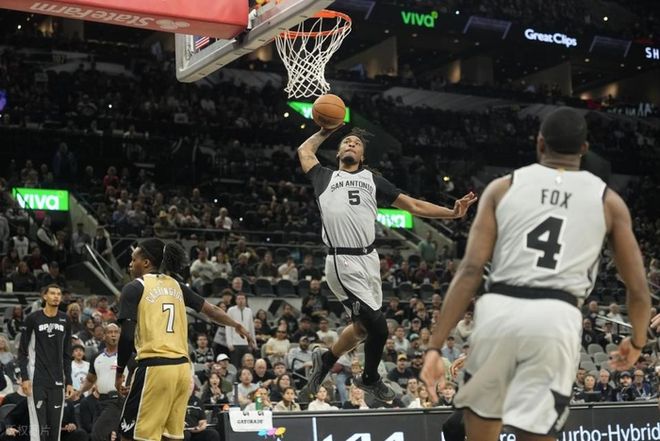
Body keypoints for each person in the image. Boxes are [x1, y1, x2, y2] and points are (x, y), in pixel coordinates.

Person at [421, 107, 651, 441]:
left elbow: (470, 270)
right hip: (556, 318)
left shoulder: (502, 187)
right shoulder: (608, 201)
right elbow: (639, 290)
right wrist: (637, 342)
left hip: (501, 311)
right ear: (584, 149)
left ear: (539, 143)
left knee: (478, 432)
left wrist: (435, 346)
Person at [299, 126, 477, 401]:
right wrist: (325, 130)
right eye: (346, 142)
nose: (351, 144)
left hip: (369, 260)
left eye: (356, 143)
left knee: (362, 329)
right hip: (342, 260)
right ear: (338, 152)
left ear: (362, 155)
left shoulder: (372, 180)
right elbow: (304, 151)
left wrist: (452, 213)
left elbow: (414, 206)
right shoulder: (324, 176)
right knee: (380, 328)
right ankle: (369, 378)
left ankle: (326, 359)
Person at [115, 238, 254, 441]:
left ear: (145, 263)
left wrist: (119, 371)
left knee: (130, 435)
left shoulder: (135, 287)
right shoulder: (177, 286)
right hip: (182, 371)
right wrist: (235, 324)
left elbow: (127, 335)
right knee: (172, 436)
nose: (130, 264)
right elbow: (212, 310)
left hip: (155, 368)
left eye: (133, 259)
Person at [17, 284, 74, 441]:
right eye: (53, 293)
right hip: (37, 380)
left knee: (54, 431)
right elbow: (22, 351)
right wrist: (25, 377)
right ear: (44, 296)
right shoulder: (33, 318)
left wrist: (69, 381)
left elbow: (67, 354)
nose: (56, 296)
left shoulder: (65, 320)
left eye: (59, 294)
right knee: (39, 429)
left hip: (57, 381)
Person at [75, 323, 123, 441]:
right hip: (100, 400)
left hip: (116, 400)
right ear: (104, 336)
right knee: (100, 435)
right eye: (110, 332)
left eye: (116, 332)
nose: (113, 335)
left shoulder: (127, 356)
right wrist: (79, 391)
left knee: (98, 434)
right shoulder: (97, 356)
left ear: (120, 335)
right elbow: (90, 380)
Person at [226, 293, 256, 369]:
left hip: (246, 343)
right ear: (236, 300)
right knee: (235, 365)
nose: (241, 301)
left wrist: (253, 342)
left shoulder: (249, 311)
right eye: (239, 299)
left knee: (247, 365)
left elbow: (251, 327)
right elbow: (228, 327)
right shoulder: (231, 310)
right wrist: (229, 343)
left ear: (245, 300)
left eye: (242, 299)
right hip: (235, 343)